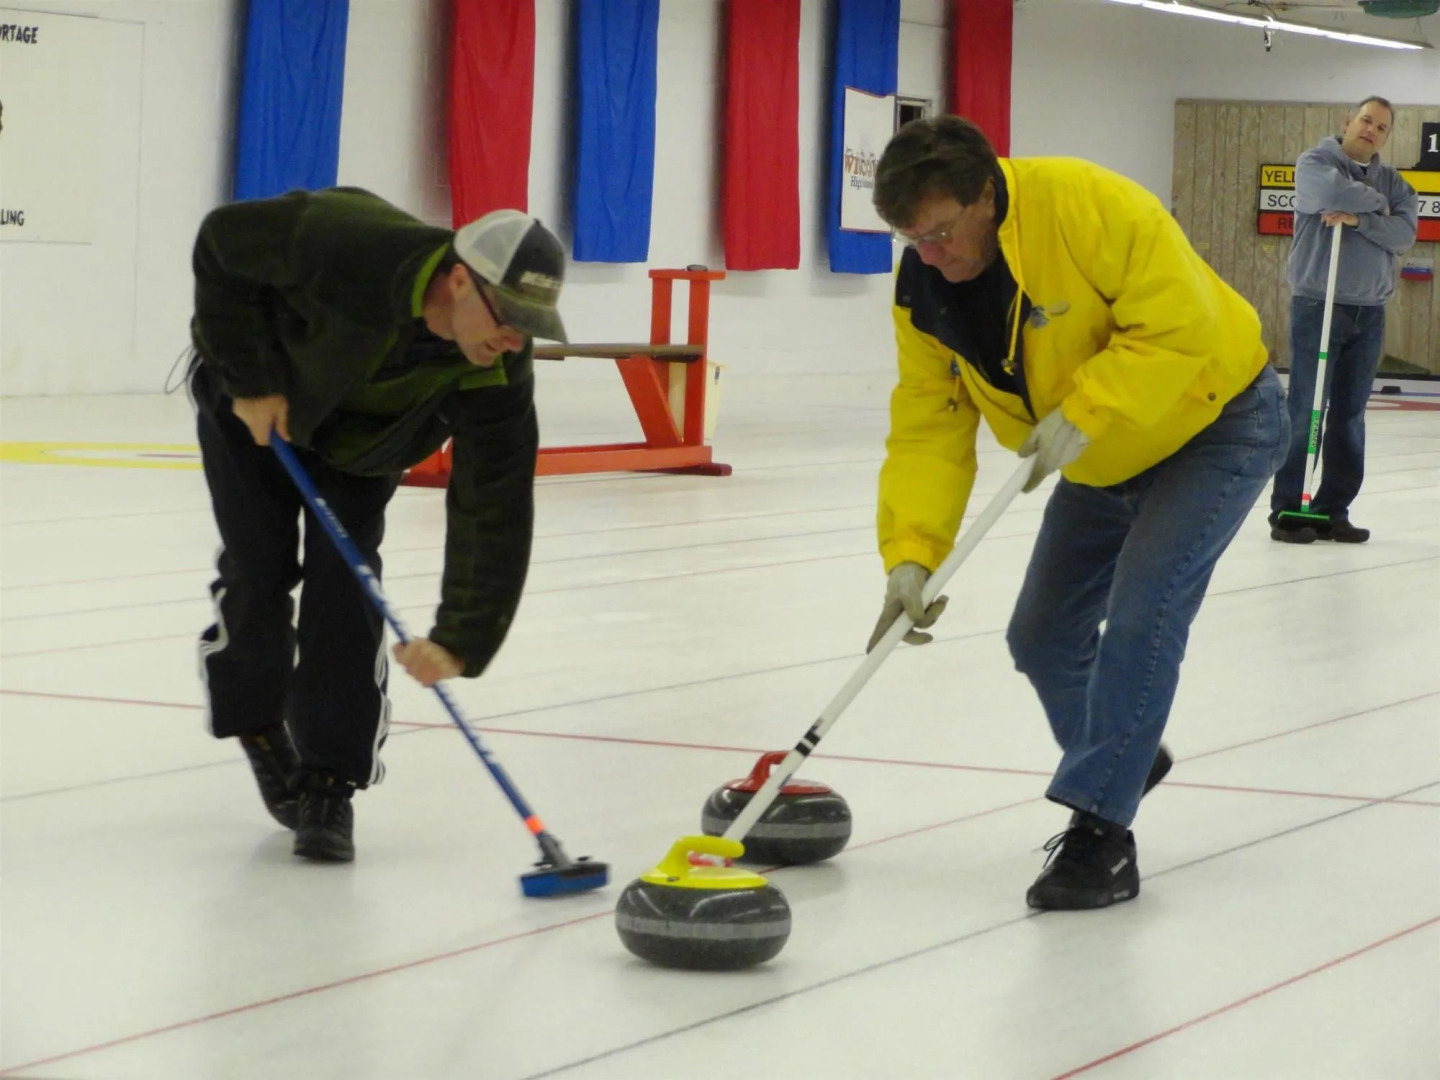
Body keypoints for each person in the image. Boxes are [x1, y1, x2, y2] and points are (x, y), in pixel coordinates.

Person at [866, 116, 1286, 911]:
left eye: (942, 234)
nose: (930, 255)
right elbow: (929, 423)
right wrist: (911, 552)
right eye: (912, 239)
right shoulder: (922, 289)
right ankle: (1126, 756)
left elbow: (1182, 325)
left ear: (987, 195)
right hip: (1099, 453)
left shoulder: (1091, 205)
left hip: (1215, 421)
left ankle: (1101, 835)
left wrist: (1091, 406)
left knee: (1143, 611)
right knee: (1042, 634)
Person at [188, 187, 566, 863]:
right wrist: (250, 379)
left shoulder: (499, 367)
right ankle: (256, 720)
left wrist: (462, 637)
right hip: (257, 403)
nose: (514, 336)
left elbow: (496, 503)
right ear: (459, 281)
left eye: (529, 322)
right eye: (507, 314)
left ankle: (331, 779)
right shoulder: (343, 239)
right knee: (260, 565)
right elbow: (222, 245)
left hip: (365, 445)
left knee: (347, 583)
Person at [1269, 95, 1418, 544]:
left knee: (1349, 415)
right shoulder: (1315, 161)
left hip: (1368, 310)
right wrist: (1375, 205)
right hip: (1319, 304)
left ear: (1386, 137)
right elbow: (1327, 193)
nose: (1371, 130)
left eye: (1381, 127)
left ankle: (1333, 508)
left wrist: (1358, 221)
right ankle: (1290, 510)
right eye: (1366, 121)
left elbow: (1405, 233)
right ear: (1348, 121)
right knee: (1305, 408)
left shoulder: (1396, 183)